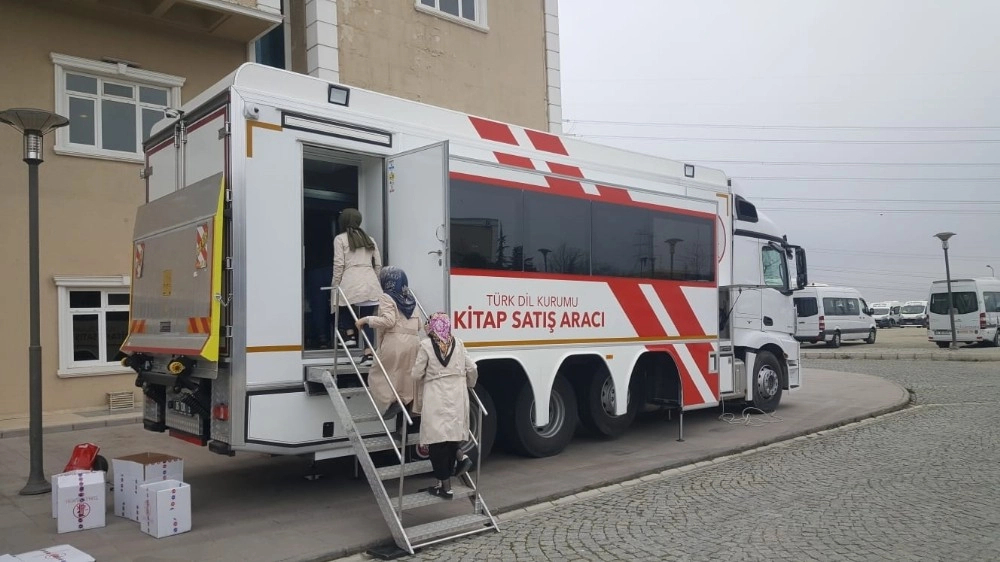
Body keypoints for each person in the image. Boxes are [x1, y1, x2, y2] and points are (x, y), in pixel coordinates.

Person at [412, 313, 476, 499]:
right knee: (450, 437)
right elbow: (472, 368)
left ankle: (445, 487)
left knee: (436, 442)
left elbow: (416, 374)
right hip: (457, 395)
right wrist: (469, 383)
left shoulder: (425, 345)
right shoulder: (459, 343)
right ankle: (460, 456)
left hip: (436, 396)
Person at [355, 266, 421, 420]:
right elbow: (418, 325)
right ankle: (403, 404)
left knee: (377, 374)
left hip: (395, 342)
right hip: (414, 343)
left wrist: (366, 320)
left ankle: (389, 403)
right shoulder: (411, 299)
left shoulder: (386, 297)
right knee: (404, 378)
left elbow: (388, 321)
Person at [331, 208, 382, 365]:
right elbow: (378, 264)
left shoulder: (340, 239)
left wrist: (335, 284)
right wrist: (374, 277)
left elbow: (339, 264)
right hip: (370, 281)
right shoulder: (370, 239)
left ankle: (349, 335)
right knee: (367, 319)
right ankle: (368, 354)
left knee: (343, 303)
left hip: (350, 279)